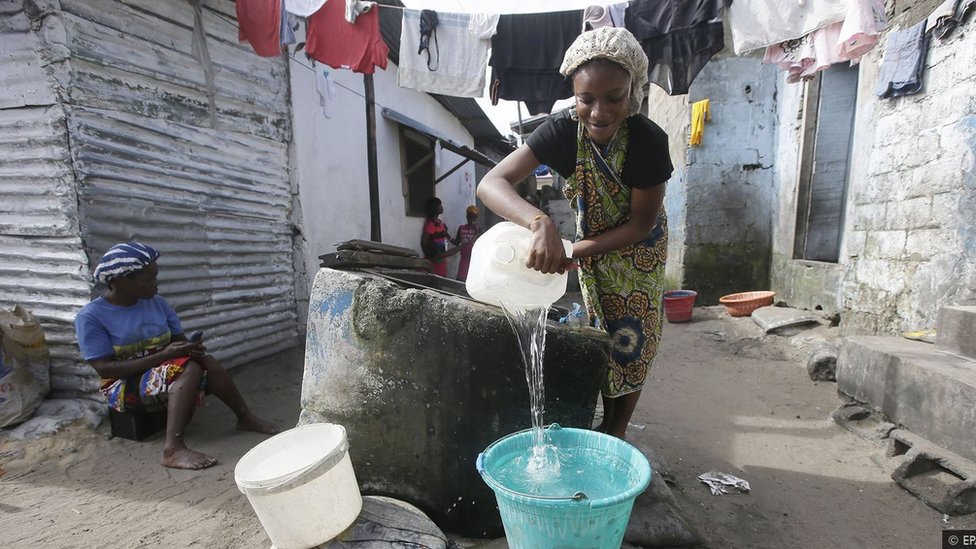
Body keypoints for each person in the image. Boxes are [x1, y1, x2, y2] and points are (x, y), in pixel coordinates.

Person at [476, 27, 672, 440]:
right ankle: (604, 423)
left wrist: (574, 250)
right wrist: (539, 222)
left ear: (632, 90)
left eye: (614, 98)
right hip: (588, 243)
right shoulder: (563, 130)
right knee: (602, 330)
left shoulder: (648, 141)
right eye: (587, 99)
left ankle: (617, 429)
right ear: (574, 94)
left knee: (633, 338)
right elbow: (491, 184)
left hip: (639, 251)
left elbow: (640, 223)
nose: (599, 112)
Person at [74, 243, 279, 470]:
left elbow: (179, 343)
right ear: (122, 282)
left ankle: (245, 418)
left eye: (155, 276)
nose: (155, 283)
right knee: (189, 368)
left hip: (164, 370)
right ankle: (172, 449)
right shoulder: (91, 317)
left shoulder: (158, 304)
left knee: (206, 362)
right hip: (123, 385)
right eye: (148, 279)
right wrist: (165, 355)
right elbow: (105, 369)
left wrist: (192, 349)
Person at [421, 197, 459, 277]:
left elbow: (446, 236)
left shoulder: (440, 223)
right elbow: (424, 242)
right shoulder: (431, 224)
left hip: (442, 259)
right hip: (435, 261)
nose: (442, 207)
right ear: (435, 207)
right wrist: (431, 257)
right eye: (440, 205)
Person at [452, 205, 482, 281]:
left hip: (474, 259)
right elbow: (456, 242)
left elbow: (481, 244)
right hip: (464, 259)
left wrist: (476, 231)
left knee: (473, 279)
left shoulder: (479, 229)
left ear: (476, 217)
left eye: (473, 216)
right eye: (470, 215)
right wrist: (447, 235)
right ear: (466, 216)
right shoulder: (461, 228)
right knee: (461, 279)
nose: (471, 218)